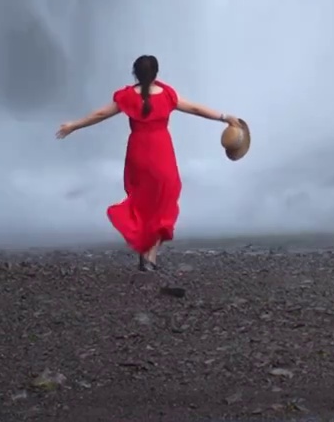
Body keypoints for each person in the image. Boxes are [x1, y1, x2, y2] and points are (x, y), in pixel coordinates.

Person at [55, 54, 240, 271]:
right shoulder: (167, 95)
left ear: (135, 73)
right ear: (156, 74)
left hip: (138, 152)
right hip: (161, 151)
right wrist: (225, 117)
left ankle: (147, 255)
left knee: (142, 201)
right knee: (165, 199)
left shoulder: (127, 96)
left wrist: (73, 126)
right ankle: (149, 255)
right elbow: (196, 109)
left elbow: (100, 114)